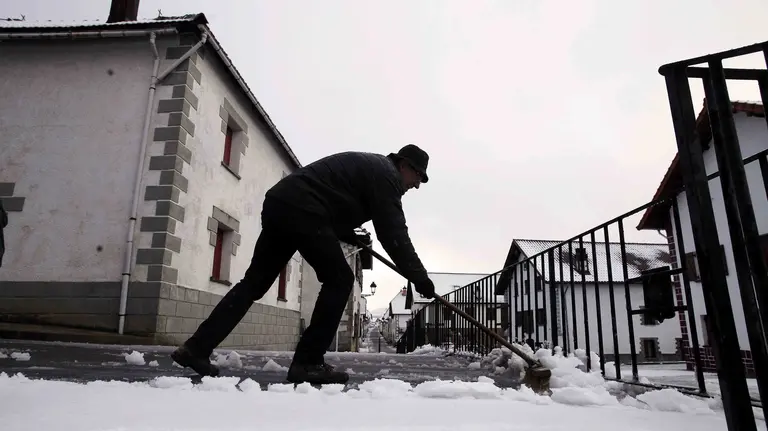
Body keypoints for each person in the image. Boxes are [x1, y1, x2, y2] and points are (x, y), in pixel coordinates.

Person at [171, 144, 436, 385]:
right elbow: (394, 235)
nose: (417, 186)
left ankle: (195, 348)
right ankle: (308, 362)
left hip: (282, 203)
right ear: (404, 166)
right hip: (303, 209)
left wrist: (343, 231)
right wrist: (419, 277)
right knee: (340, 280)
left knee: (254, 283)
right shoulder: (387, 177)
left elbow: (332, 195)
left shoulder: (375, 169)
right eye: (418, 177)